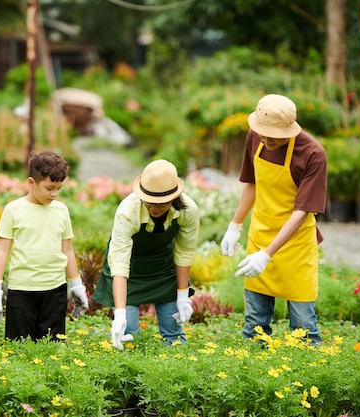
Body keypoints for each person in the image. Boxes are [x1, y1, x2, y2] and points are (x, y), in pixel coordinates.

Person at [221, 93, 327, 345]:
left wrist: (267, 254)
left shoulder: (313, 154)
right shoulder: (255, 136)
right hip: (261, 234)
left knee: (303, 328)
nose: (266, 139)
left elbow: (302, 211)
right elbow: (252, 183)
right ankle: (254, 376)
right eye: (262, 132)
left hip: (296, 244)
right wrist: (234, 226)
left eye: (274, 135)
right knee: (254, 327)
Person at [92, 159, 200, 350]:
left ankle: (173, 372)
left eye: (161, 203)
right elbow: (119, 263)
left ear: (174, 198)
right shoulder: (128, 211)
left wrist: (182, 296)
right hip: (129, 270)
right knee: (129, 335)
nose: (154, 208)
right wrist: (119, 313)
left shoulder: (188, 211)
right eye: (149, 202)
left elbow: (184, 252)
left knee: (173, 334)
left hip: (163, 268)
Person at [0, 150, 89, 341]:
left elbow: (66, 249)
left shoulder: (61, 210)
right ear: (31, 183)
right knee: (19, 347)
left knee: (52, 347)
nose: (55, 194)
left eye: (59, 188)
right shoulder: (13, 210)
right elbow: (2, 249)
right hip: (21, 289)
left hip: (55, 289)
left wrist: (76, 284)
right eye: (50, 188)